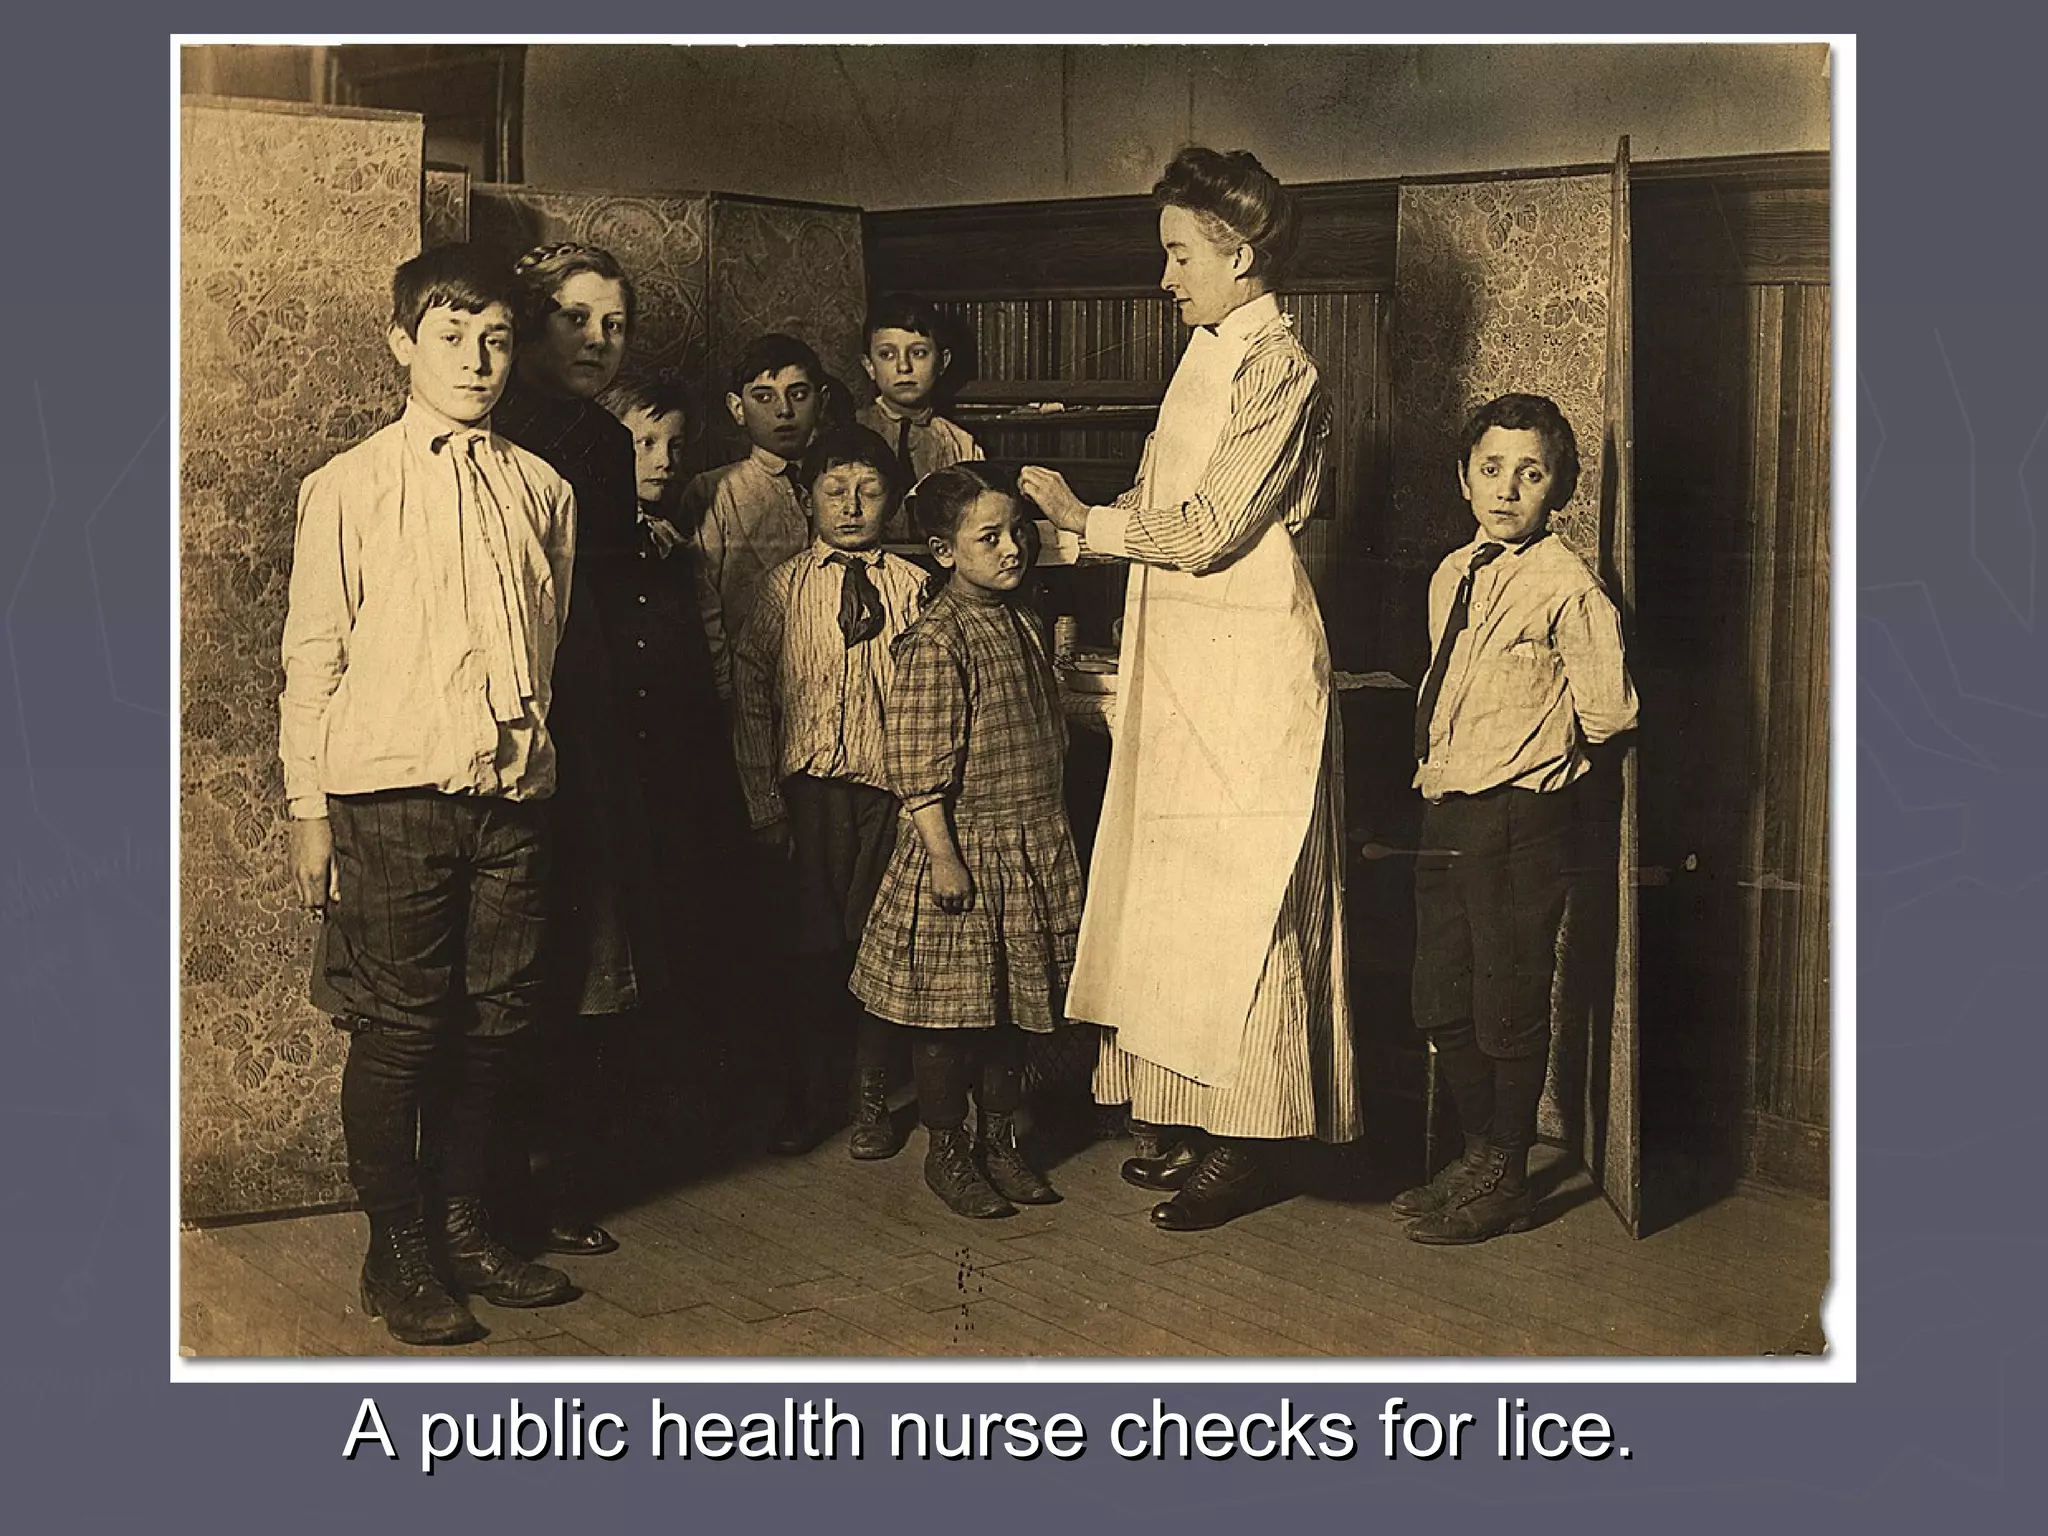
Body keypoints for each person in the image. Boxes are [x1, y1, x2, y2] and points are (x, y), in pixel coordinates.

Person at [1020, 147, 1358, 1232]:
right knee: (1182, 904)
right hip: (1187, 659)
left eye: (1177, 254)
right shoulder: (1208, 353)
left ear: (1239, 252)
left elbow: (1212, 529)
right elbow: (1166, 493)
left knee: (1247, 902)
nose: (1163, 277)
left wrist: (1084, 521)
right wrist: (1066, 535)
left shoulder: (1281, 369)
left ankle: (1257, 1142)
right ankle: (1208, 1124)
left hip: (1250, 669)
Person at [278, 243, 577, 1346]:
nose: (477, 360)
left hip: (510, 799)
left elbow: (543, 645)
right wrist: (310, 809)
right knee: (403, 1032)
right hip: (388, 801)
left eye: (496, 339)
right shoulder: (348, 487)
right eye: (451, 337)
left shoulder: (542, 490)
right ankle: (394, 1248)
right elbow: (313, 656)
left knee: (497, 1024)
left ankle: (463, 1224)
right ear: (404, 343)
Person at [495, 243, 748, 1258]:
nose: (598, 341)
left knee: (574, 952)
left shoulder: (598, 440)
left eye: (614, 325)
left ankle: (549, 1181)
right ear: (532, 322)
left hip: (583, 716)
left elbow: (589, 594)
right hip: (513, 708)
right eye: (575, 319)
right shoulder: (506, 426)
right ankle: (499, 1190)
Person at [1396, 393, 1639, 1245]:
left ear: (1558, 488)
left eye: (1530, 474)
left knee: (1508, 998)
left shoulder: (1569, 589)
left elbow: (1609, 712)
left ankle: (1508, 1177)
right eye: (1491, 470)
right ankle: (1479, 1153)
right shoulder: (1453, 573)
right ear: (1464, 479)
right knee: (1439, 997)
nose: (1507, 490)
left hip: (1521, 820)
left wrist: (1545, 762)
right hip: (1446, 806)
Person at [852, 464, 1085, 1219]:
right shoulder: (937, 639)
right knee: (949, 1020)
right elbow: (917, 768)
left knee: (1012, 1014)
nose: (1013, 548)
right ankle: (947, 1150)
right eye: (989, 537)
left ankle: (999, 1143)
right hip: (964, 854)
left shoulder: (1018, 615)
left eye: (1019, 530)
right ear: (943, 551)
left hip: (1029, 844)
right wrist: (945, 858)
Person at [731, 425, 928, 1158]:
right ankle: (806, 1098)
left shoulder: (914, 591)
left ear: (896, 500)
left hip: (886, 802)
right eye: (835, 492)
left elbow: (929, 701)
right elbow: (751, 694)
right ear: (807, 497)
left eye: (870, 492)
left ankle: (870, 1099)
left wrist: (920, 801)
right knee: (808, 954)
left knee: (877, 951)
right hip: (807, 802)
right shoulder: (782, 588)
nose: (851, 508)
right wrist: (763, 802)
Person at [680, 334, 827, 700]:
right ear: (737, 408)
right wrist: (724, 685)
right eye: (764, 397)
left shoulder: (844, 483)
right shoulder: (714, 490)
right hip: (748, 683)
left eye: (798, 394)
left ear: (821, 401)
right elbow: (702, 599)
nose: (784, 411)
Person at [853, 292, 981, 526]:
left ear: (942, 362)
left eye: (918, 353)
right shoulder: (849, 432)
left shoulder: (960, 444)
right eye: (887, 355)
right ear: (870, 366)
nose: (904, 366)